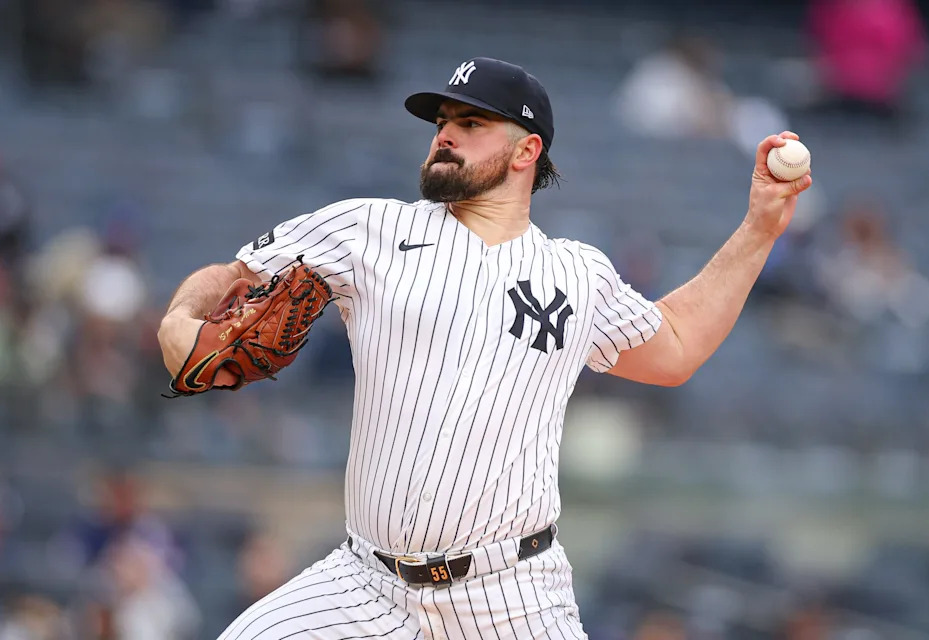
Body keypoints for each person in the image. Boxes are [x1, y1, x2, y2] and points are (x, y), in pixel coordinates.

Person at [157, 57, 812, 639]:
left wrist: (760, 225)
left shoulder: (578, 274)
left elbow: (676, 347)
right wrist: (181, 317)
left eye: (471, 123)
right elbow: (233, 278)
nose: (445, 132)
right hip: (364, 587)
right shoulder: (367, 229)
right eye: (442, 119)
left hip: (513, 599)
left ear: (526, 150)